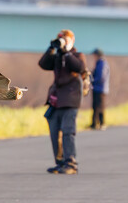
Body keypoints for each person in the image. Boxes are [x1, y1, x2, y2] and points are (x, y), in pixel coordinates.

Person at [39, 29, 86, 175]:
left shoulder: (77, 55)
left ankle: (71, 163)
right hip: (57, 101)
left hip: (71, 99)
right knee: (54, 132)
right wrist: (51, 49)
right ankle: (60, 162)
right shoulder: (58, 56)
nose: (63, 42)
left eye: (65, 39)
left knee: (67, 132)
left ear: (72, 41)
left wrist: (67, 52)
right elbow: (43, 64)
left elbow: (79, 67)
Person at [90, 48, 110, 130]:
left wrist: (93, 81)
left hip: (100, 88)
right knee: (96, 106)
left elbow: (101, 76)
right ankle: (95, 123)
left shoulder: (102, 63)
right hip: (98, 88)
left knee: (99, 106)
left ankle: (100, 123)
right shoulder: (100, 63)